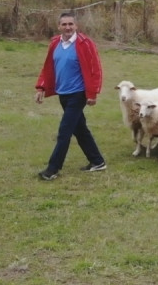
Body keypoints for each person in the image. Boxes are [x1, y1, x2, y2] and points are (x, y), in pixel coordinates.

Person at [35, 12, 107, 179]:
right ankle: (97, 161)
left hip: (78, 94)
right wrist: (41, 88)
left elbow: (95, 70)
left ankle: (52, 170)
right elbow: (48, 68)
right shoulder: (55, 43)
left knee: (64, 131)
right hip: (63, 93)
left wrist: (92, 94)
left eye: (71, 24)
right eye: (64, 24)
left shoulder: (85, 44)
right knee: (79, 129)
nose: (68, 27)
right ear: (59, 26)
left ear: (76, 26)